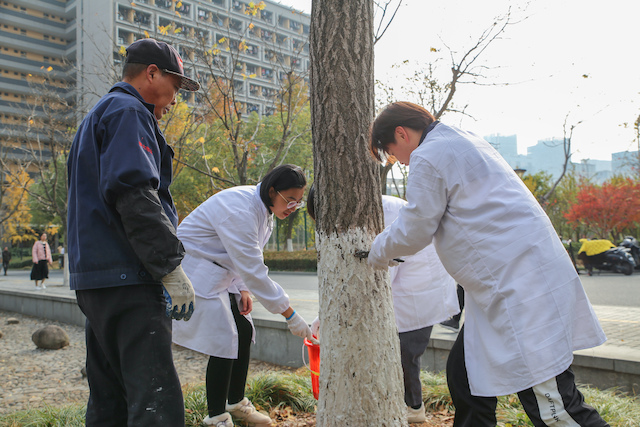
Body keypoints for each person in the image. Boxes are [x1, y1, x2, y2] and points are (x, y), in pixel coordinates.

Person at [367, 101, 609, 427]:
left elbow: (417, 225)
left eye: (394, 154)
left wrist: (375, 253)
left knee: (557, 411)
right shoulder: (461, 140)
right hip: (508, 285)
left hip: (519, 290)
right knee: (465, 376)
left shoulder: (430, 153)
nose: (402, 163)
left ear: (401, 133)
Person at [67, 38, 199, 426]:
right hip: (130, 276)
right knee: (154, 399)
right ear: (151, 73)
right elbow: (136, 195)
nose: (175, 99)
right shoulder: (129, 112)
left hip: (97, 280)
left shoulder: (96, 117)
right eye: (174, 87)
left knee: (110, 400)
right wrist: (169, 268)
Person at [172, 164, 316, 427]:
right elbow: (252, 268)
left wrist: (242, 289)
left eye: (298, 201)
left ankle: (235, 403)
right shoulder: (239, 209)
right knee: (224, 338)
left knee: (243, 330)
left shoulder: (264, 212)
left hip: (220, 273)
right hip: (195, 270)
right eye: (289, 200)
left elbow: (245, 258)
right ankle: (216, 417)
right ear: (272, 191)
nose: (293, 207)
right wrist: (290, 314)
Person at [306, 186, 459, 423]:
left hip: (419, 281)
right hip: (406, 278)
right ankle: (405, 403)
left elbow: (383, 268)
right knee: (399, 350)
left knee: (406, 350)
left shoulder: (379, 212)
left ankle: (414, 407)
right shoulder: (368, 209)